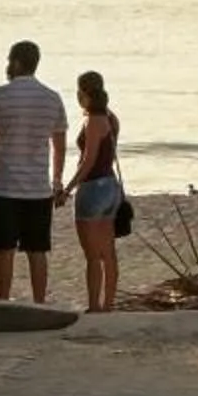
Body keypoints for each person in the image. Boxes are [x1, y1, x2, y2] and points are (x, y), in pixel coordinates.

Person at [0, 39, 68, 303]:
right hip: (38, 188)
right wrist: (57, 182)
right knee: (37, 251)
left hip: (5, 185)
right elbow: (59, 146)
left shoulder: (0, 95)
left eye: (8, 61)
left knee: (5, 250)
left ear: (16, 62)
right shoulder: (52, 98)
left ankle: (4, 301)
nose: (6, 66)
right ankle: (40, 302)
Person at [60, 70, 124, 314]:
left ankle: (95, 306)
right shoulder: (111, 118)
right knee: (108, 251)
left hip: (93, 188)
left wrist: (67, 189)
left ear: (83, 93)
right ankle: (108, 304)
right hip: (110, 185)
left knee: (92, 255)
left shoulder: (93, 121)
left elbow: (88, 161)